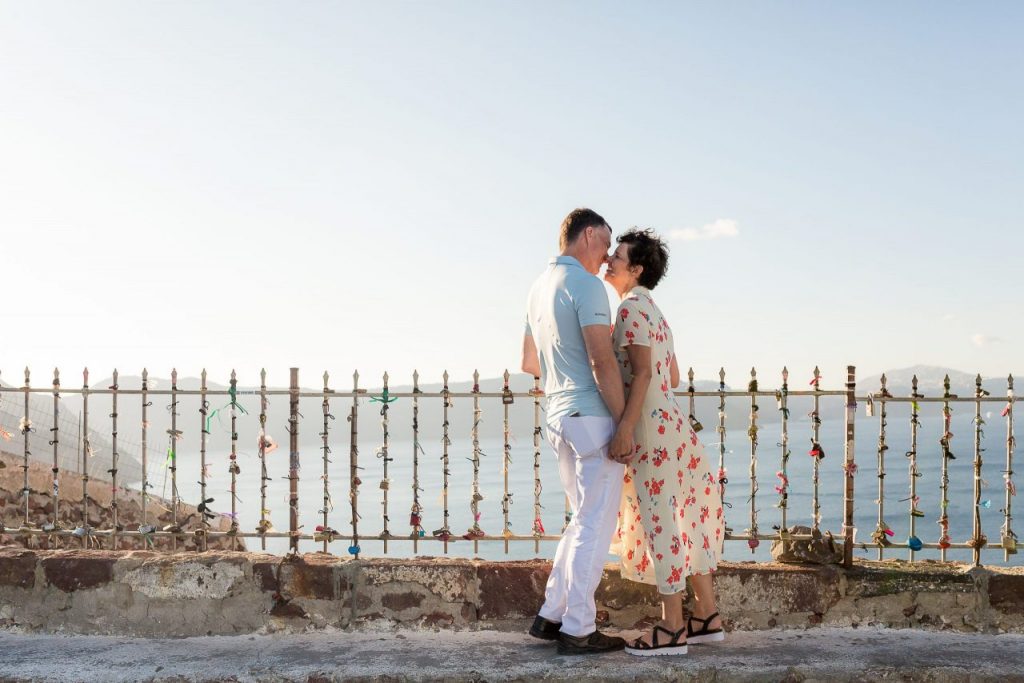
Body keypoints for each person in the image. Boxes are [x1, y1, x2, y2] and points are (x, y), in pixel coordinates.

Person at [604, 228, 725, 657]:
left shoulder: (630, 310)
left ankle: (672, 628)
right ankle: (705, 618)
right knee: (685, 520)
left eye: (617, 256)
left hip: (650, 431)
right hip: (673, 427)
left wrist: (623, 428)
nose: (609, 261)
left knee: (661, 524)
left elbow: (645, 374)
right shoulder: (655, 311)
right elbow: (671, 376)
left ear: (635, 269)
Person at [521, 208, 630, 655]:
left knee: (579, 520)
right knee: (594, 526)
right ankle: (579, 628)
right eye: (605, 243)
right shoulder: (587, 286)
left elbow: (529, 363)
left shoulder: (537, 288)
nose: (606, 256)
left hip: (558, 417)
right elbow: (602, 360)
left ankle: (551, 615)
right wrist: (625, 421)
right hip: (591, 416)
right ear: (588, 235)